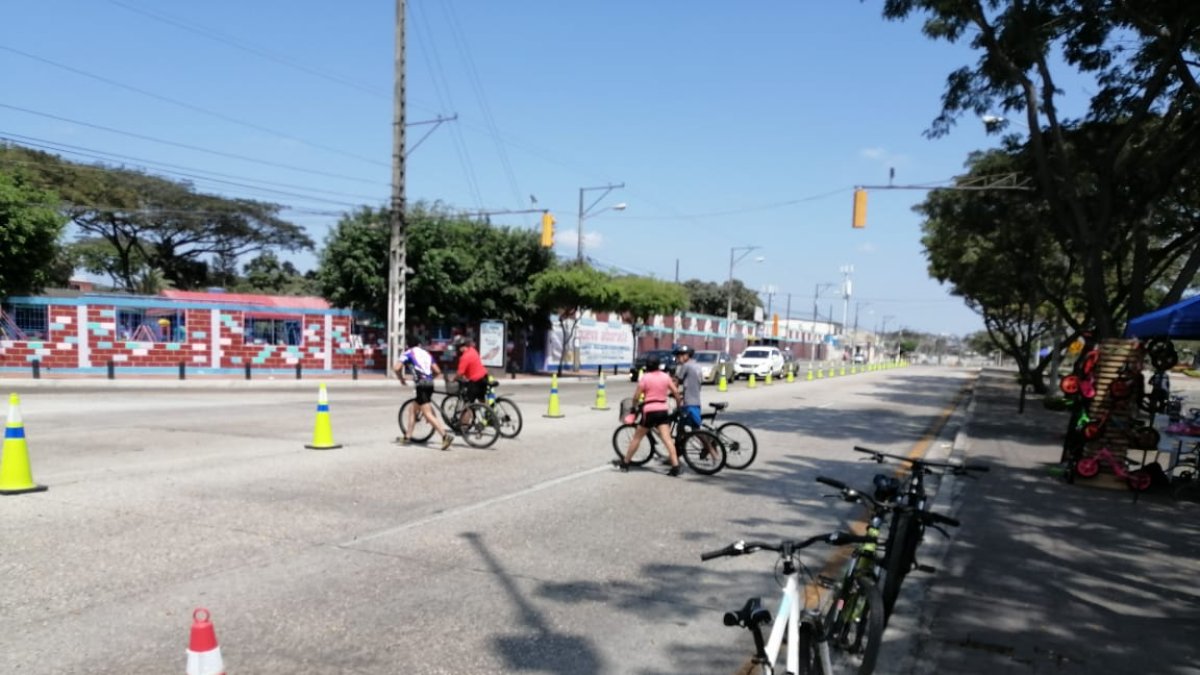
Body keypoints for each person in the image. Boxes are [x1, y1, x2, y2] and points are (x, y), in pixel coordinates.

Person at [613, 354, 683, 476]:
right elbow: (676, 393)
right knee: (667, 439)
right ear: (658, 365)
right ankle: (675, 466)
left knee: (637, 438)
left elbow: (636, 396)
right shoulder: (665, 377)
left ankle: (625, 462)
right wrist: (678, 406)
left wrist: (634, 406)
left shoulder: (645, 378)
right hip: (662, 410)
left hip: (649, 411)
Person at [395, 337, 454, 450]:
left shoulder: (408, 353)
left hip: (421, 385)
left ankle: (445, 436)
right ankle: (408, 436)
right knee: (412, 409)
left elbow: (396, 368)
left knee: (427, 413)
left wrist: (401, 379)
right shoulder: (427, 354)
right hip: (429, 383)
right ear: (419, 344)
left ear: (407, 345)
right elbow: (437, 371)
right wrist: (429, 379)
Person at [455, 335, 490, 404]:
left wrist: (454, 379)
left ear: (461, 347)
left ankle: (468, 411)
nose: (458, 349)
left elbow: (460, 373)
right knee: (481, 398)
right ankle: (489, 410)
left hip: (476, 381)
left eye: (458, 347)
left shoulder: (464, 357)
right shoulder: (472, 350)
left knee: (468, 403)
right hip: (484, 377)